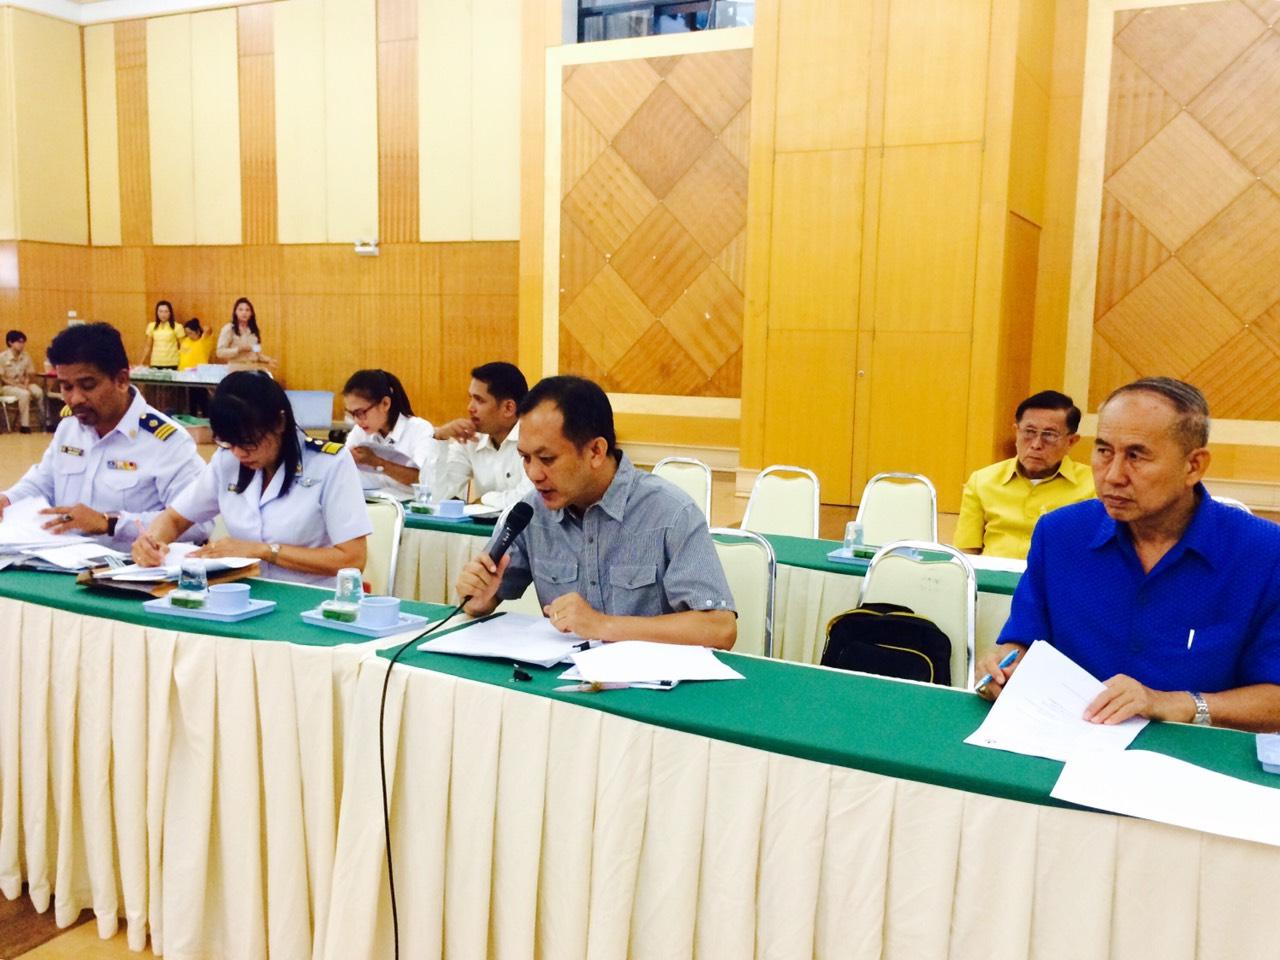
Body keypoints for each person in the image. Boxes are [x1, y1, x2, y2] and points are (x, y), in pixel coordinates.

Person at [977, 378, 1280, 733]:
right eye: (1104, 451)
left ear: (1193, 466)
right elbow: (1023, 641)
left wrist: (1176, 703)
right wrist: (1004, 665)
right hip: (1066, 741)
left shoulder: (1263, 553)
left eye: (1136, 456)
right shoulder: (1060, 534)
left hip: (1194, 753)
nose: (1113, 475)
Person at [456, 375, 737, 648]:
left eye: (547, 458)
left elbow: (719, 628)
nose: (533, 474)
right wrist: (478, 598)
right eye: (525, 458)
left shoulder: (670, 513)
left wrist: (604, 625)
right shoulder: (531, 512)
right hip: (559, 674)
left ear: (596, 451)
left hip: (650, 679)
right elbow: (486, 596)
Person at [133, 370, 371, 586]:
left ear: (279, 422)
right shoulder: (226, 461)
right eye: (229, 442)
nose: (238, 453)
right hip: (244, 595)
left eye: (248, 442)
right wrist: (151, 542)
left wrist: (264, 551)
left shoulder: (329, 463)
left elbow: (352, 559)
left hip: (313, 601)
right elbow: (175, 518)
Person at [0, 322, 207, 549]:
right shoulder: (69, 427)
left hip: (129, 565)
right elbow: (44, 482)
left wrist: (110, 523)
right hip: (64, 559)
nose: (75, 399)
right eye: (66, 387)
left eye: (88, 385)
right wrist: (8, 499)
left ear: (121, 380)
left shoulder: (166, 441)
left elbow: (199, 523)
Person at [953, 390, 1095, 559]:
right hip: (994, 574)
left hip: (1057, 575)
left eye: (1049, 435)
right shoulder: (982, 481)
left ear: (1071, 441)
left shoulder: (1093, 486)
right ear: (1016, 432)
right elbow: (966, 553)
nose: (1036, 444)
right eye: (1029, 432)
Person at [342, 368, 456, 497]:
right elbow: (343, 470)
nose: (357, 420)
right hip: (372, 502)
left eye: (360, 413)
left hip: (412, 504)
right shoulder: (359, 431)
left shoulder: (419, 429)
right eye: (351, 414)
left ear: (385, 404)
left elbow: (422, 479)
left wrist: (377, 462)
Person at [431, 362, 530, 508]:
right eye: (471, 398)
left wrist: (482, 500)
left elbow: (528, 500)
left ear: (508, 408)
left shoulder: (534, 438)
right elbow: (438, 497)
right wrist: (441, 439)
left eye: (479, 400)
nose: (470, 408)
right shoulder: (471, 439)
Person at [0, 330, 45, 433]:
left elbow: (29, 374)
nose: (22, 345)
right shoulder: (2, 357)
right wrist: (18, 386)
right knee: (24, 394)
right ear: (10, 342)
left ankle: (45, 423)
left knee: (39, 392)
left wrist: (26, 384)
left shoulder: (26, 356)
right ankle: (25, 426)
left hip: (23, 383)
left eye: (23, 342)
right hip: (8, 386)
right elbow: (3, 378)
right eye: (19, 342)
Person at [216, 297, 276, 366]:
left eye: (247, 310)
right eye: (240, 309)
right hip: (236, 368)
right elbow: (219, 352)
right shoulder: (229, 328)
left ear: (251, 313)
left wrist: (269, 360)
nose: (244, 312)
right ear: (235, 312)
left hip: (253, 367)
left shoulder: (254, 329)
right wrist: (239, 349)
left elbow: (256, 354)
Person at [144, 300, 182, 369]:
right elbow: (147, 347)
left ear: (170, 313)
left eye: (166, 311)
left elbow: (183, 346)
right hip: (156, 362)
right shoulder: (151, 326)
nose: (163, 314)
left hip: (172, 362)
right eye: (160, 311)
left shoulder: (177, 326)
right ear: (157, 312)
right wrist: (141, 363)